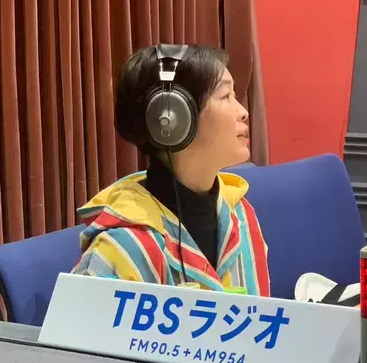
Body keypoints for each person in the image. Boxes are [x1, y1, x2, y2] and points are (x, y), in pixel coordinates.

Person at [70, 44, 270, 296]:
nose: (243, 112)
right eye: (225, 96)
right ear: (173, 119)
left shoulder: (240, 216)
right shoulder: (122, 249)